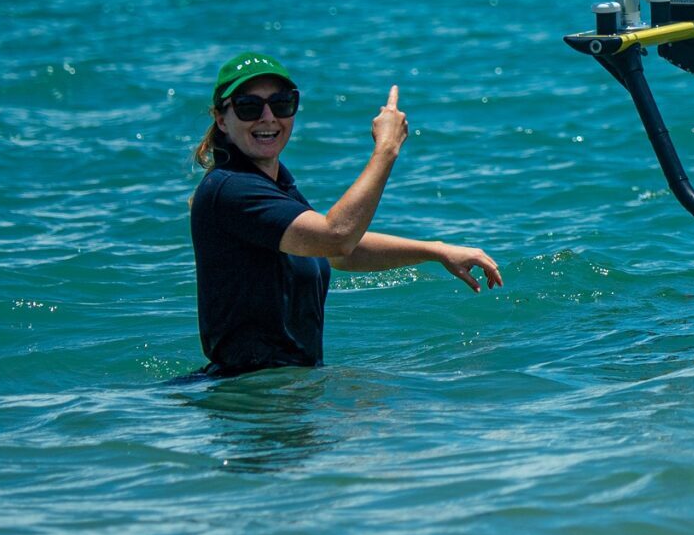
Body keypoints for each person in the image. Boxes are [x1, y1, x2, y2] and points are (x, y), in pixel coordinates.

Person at [189, 50, 501, 377]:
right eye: (249, 107)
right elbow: (336, 237)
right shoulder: (231, 189)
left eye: (281, 104)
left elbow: (336, 252)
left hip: (282, 388)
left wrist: (435, 251)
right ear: (222, 119)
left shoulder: (275, 186)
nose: (268, 117)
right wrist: (386, 149)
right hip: (249, 395)